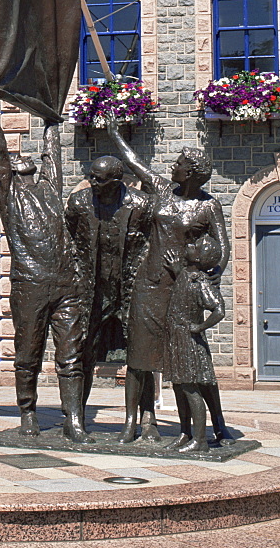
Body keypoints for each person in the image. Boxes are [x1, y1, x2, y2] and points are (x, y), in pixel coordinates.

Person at [107, 119, 230, 443]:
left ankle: (215, 422)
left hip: (182, 290)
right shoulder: (162, 190)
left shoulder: (207, 205)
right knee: (138, 357)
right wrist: (115, 133)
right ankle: (131, 423)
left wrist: (209, 278)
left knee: (193, 362)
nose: (171, 167)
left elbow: (223, 246)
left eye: (178, 164)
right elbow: (134, 163)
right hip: (150, 285)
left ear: (190, 172)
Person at [0, 89, 88, 441]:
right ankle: (28, 413)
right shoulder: (9, 194)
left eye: (27, 156)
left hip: (66, 286)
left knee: (71, 357)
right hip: (30, 286)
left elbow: (51, 153)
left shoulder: (50, 188)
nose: (21, 156)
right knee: (28, 354)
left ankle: (73, 419)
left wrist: (50, 117)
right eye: (15, 156)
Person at [65, 156, 152, 417]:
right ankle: (76, 416)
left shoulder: (141, 204)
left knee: (140, 357)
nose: (91, 182)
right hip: (93, 292)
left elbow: (153, 242)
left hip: (131, 290)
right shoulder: (79, 202)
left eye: (98, 179)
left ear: (116, 181)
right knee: (83, 353)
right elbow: (68, 237)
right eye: (91, 176)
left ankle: (147, 420)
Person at [163, 236, 225, 453]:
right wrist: (176, 269)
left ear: (199, 257)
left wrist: (200, 327)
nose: (188, 245)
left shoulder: (199, 281)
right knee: (179, 388)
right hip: (176, 339)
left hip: (189, 342)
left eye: (194, 246)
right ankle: (185, 433)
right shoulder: (185, 275)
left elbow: (219, 309)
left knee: (191, 389)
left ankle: (200, 439)